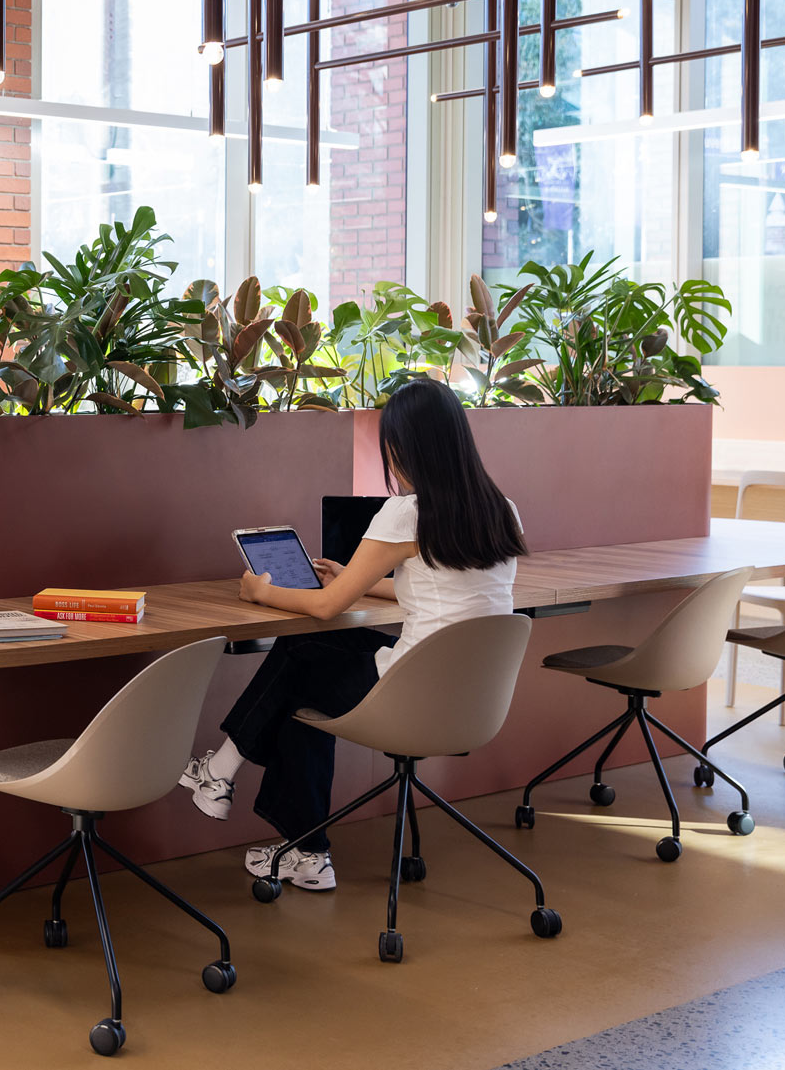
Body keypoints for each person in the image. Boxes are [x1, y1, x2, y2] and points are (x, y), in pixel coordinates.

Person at [177, 377, 526, 892]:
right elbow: (438, 590)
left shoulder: (408, 512)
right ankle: (294, 845)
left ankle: (229, 773)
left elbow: (323, 607)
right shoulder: (499, 509)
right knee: (309, 693)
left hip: (410, 695)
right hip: (473, 702)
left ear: (405, 446)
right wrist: (355, 577)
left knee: (302, 648)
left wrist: (261, 593)